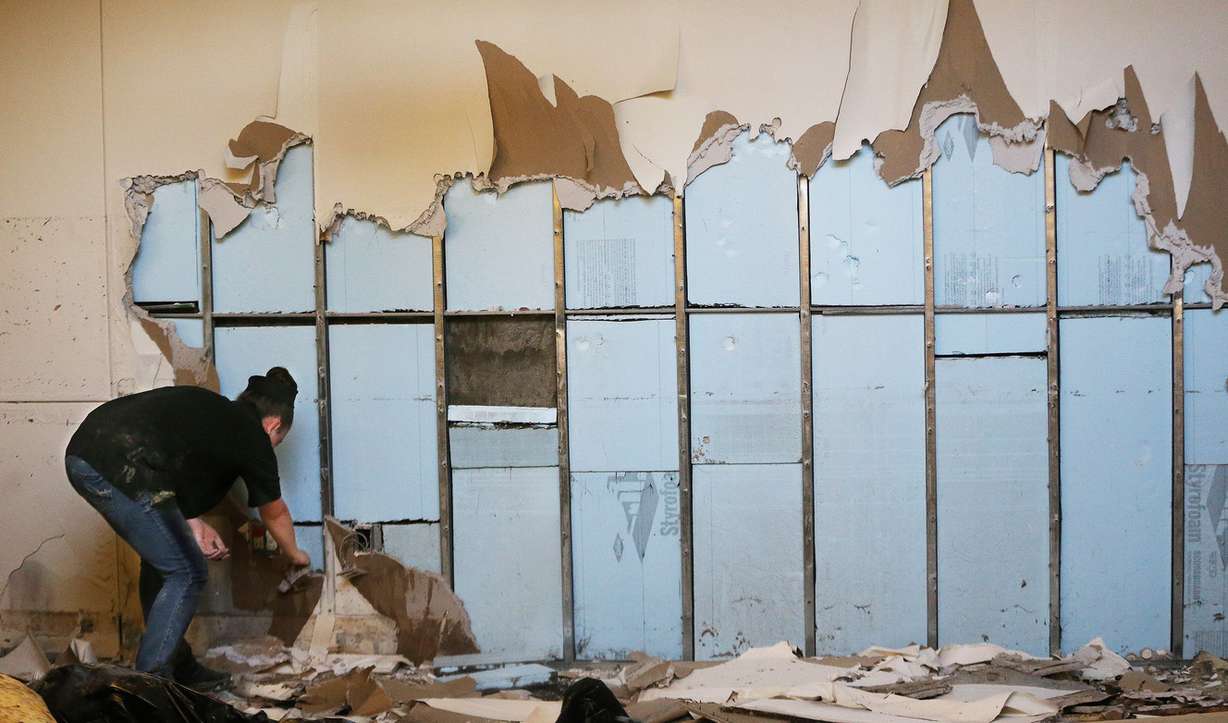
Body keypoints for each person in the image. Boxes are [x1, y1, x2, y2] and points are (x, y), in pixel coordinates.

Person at [64, 367, 311, 690]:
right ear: (274, 424)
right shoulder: (252, 436)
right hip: (117, 463)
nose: (274, 445)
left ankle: (176, 662)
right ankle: (153, 682)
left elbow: (169, 466)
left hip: (88, 450)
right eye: (279, 439)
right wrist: (296, 555)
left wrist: (193, 525)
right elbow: (274, 512)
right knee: (187, 572)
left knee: (163, 562)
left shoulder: (214, 416)